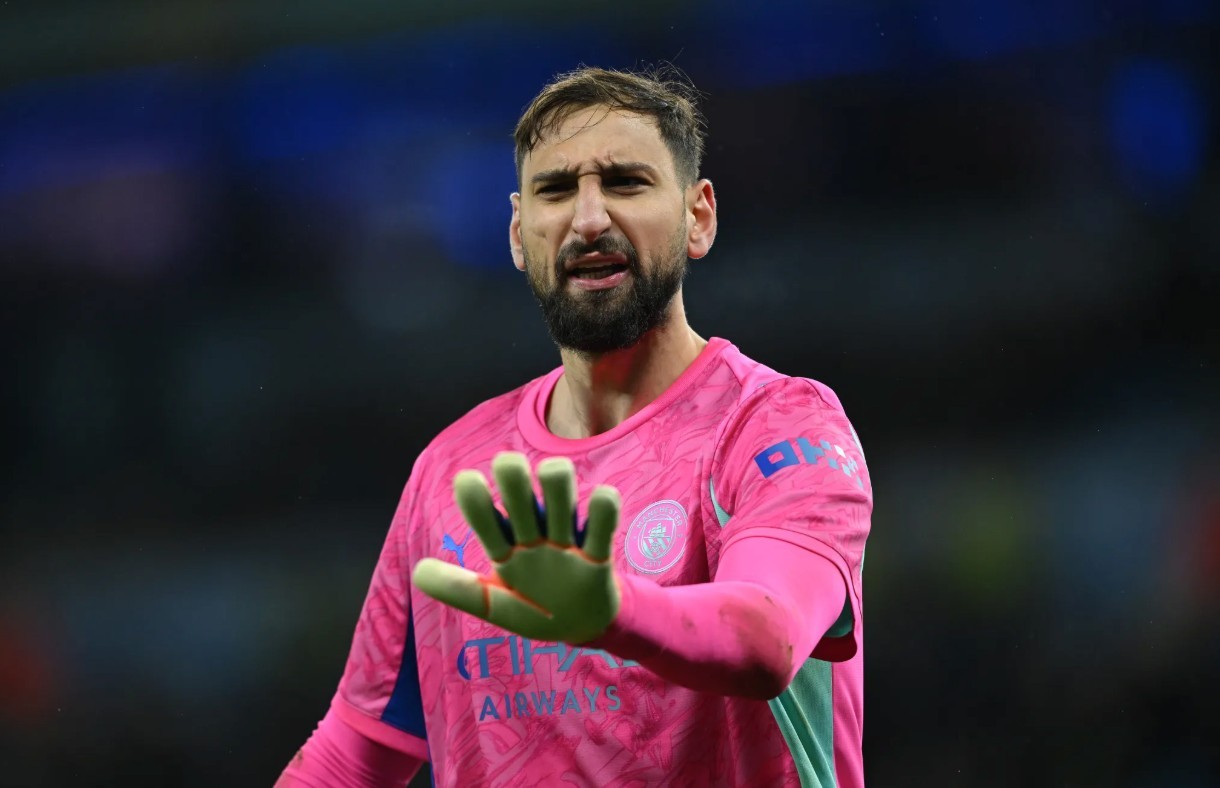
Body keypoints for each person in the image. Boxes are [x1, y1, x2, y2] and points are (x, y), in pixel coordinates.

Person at [275, 65, 872, 788]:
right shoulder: (452, 471)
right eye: (556, 191)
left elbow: (766, 638)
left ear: (699, 217)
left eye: (625, 182)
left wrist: (611, 611)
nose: (589, 220)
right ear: (518, 234)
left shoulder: (776, 426)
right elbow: (356, 752)